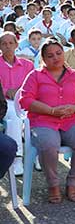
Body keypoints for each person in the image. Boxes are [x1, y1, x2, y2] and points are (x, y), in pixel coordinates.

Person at [20, 38, 75, 203]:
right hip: (42, 121)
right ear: (44, 59)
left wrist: (74, 108)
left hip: (70, 120)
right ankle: (53, 184)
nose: (56, 58)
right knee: (49, 144)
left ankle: (73, 182)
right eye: (50, 55)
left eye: (59, 53)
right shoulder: (35, 75)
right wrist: (51, 111)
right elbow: (25, 100)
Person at [0, 31, 33, 176]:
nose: (8, 46)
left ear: (16, 45)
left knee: (39, 113)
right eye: (4, 44)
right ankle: (16, 158)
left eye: (10, 43)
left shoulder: (28, 65)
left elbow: (34, 85)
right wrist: (7, 91)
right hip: (4, 102)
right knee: (14, 115)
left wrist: (20, 92)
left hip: (25, 100)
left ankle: (38, 155)